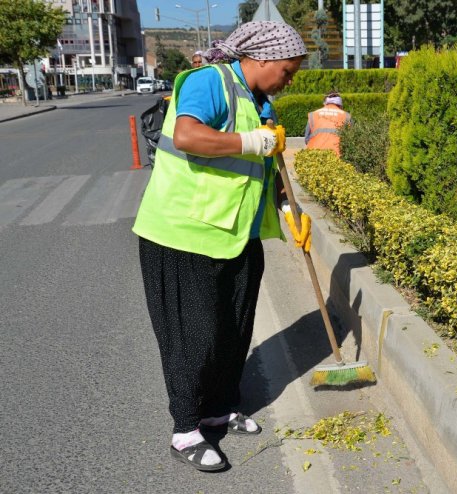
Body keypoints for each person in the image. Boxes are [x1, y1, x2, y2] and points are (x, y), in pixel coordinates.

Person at [132, 21, 311, 472]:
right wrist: (253, 141)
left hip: (236, 235)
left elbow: (258, 171)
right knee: (194, 336)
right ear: (264, 58)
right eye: (287, 71)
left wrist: (289, 212)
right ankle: (186, 429)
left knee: (233, 330)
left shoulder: (259, 102)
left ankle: (217, 408)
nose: (289, 80)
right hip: (182, 234)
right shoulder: (208, 82)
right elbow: (189, 136)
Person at [304, 91, 352, 156]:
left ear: (325, 102)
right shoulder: (346, 116)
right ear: (340, 104)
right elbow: (352, 140)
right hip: (337, 156)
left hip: (315, 155)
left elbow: (307, 139)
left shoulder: (314, 114)